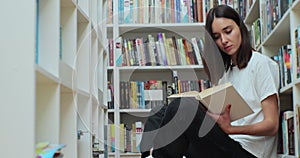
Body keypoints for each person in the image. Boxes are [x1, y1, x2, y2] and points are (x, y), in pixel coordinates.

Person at [141, 5, 280, 158]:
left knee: (182, 107)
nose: (224, 40)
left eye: (228, 31)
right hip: (226, 142)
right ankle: (150, 154)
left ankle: (156, 155)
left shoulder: (260, 64)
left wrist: (230, 129)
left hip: (248, 151)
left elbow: (271, 125)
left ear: (240, 27)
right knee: (160, 112)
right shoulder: (226, 73)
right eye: (216, 37)